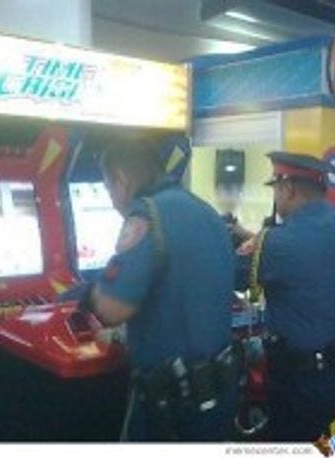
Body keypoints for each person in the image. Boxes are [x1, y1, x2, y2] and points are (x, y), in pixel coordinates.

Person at [77, 133, 239, 442]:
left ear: (121, 180)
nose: (111, 200)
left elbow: (111, 309)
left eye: (108, 188)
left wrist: (85, 296)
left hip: (173, 407)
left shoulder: (147, 215)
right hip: (218, 395)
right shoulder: (204, 210)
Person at [239, 151, 335, 442]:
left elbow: (232, 272)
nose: (276, 199)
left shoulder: (277, 242)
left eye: (276, 190)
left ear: (288, 189)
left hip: (296, 386)